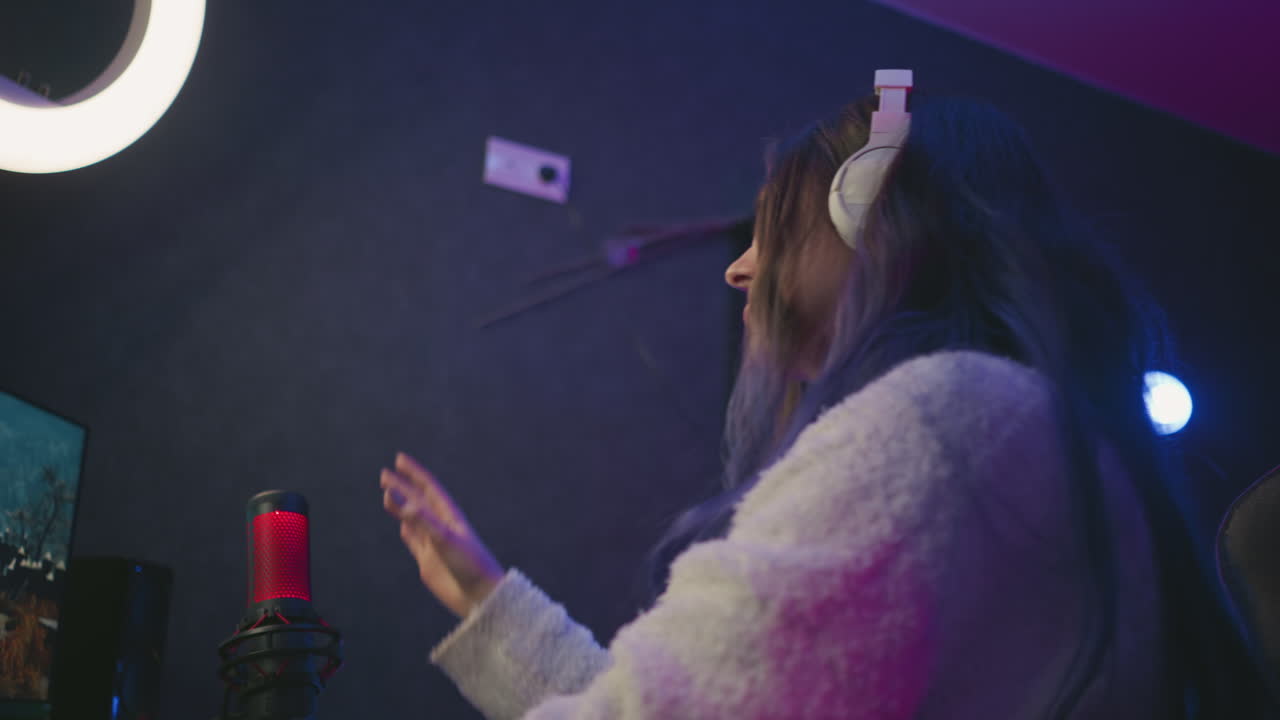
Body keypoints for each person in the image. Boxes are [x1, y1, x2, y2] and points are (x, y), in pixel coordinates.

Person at [378, 73, 1272, 718]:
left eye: (769, 230)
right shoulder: (1018, 432)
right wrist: (491, 603)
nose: (737, 269)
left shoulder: (950, 422)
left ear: (870, 217)